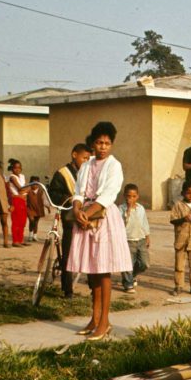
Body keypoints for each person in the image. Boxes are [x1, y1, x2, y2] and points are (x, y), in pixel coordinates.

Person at [68, 122, 131, 340]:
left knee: (103, 270)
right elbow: (78, 191)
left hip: (103, 218)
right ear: (93, 143)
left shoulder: (114, 166)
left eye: (107, 143)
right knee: (91, 270)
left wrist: (89, 212)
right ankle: (94, 319)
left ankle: (104, 322)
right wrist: (77, 209)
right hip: (85, 216)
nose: (103, 147)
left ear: (111, 144)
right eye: (99, 142)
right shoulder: (86, 165)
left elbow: (109, 194)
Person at [48, 142, 91, 298]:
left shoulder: (89, 172)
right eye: (84, 158)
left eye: (88, 158)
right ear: (74, 155)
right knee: (68, 254)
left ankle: (92, 284)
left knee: (90, 251)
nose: (86, 161)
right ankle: (68, 289)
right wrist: (68, 198)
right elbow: (53, 193)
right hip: (70, 218)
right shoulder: (62, 173)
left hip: (88, 217)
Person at [118, 184, 150, 292]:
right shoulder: (121, 209)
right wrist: (127, 211)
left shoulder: (141, 208)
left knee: (144, 263)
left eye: (133, 196)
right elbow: (121, 224)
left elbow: (144, 223)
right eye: (128, 196)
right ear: (124, 196)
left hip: (140, 239)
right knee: (128, 263)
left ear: (137, 196)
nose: (131, 199)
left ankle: (132, 275)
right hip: (128, 240)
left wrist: (147, 236)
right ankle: (128, 284)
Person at [6, 159, 28, 247]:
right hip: (16, 200)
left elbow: (24, 189)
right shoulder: (12, 177)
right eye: (15, 168)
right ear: (12, 169)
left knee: (23, 221)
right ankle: (15, 241)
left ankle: (21, 239)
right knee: (16, 221)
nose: (17, 170)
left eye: (19, 168)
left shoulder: (22, 176)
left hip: (23, 200)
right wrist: (27, 190)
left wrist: (25, 191)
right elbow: (20, 189)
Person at [26, 175, 46, 242]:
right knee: (31, 220)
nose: (35, 185)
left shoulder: (41, 191)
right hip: (30, 208)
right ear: (30, 183)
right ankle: (30, 235)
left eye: (36, 183)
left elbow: (44, 199)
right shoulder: (28, 190)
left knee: (36, 222)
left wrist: (47, 207)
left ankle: (35, 235)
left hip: (38, 208)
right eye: (33, 183)